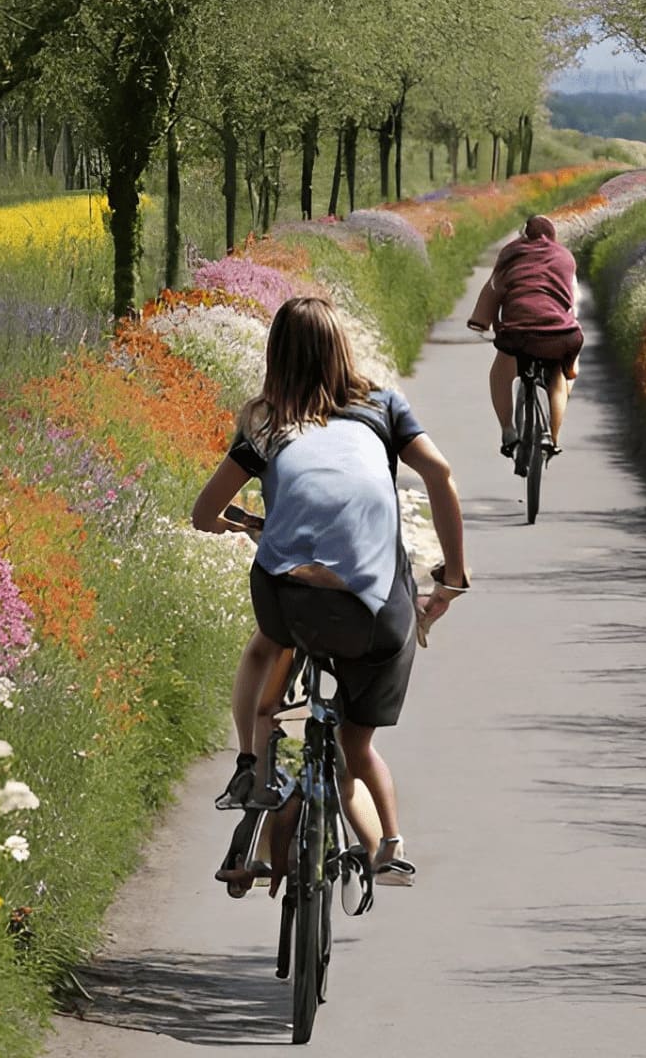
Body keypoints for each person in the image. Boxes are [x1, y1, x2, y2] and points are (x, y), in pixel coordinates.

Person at [191, 296, 470, 888]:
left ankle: (252, 765)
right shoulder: (383, 407)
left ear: (276, 356)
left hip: (291, 605)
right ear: (342, 347)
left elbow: (204, 512)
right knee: (354, 738)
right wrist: (452, 579)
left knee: (266, 647)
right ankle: (383, 845)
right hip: (374, 619)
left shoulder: (267, 421)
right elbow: (440, 475)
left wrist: (245, 524)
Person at [467, 214, 584, 460]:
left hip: (517, 334)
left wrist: (480, 321)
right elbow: (573, 301)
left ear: (524, 236)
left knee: (500, 372)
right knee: (560, 378)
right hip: (561, 335)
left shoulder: (511, 255)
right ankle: (552, 437)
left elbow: (493, 290)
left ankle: (508, 431)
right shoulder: (565, 257)